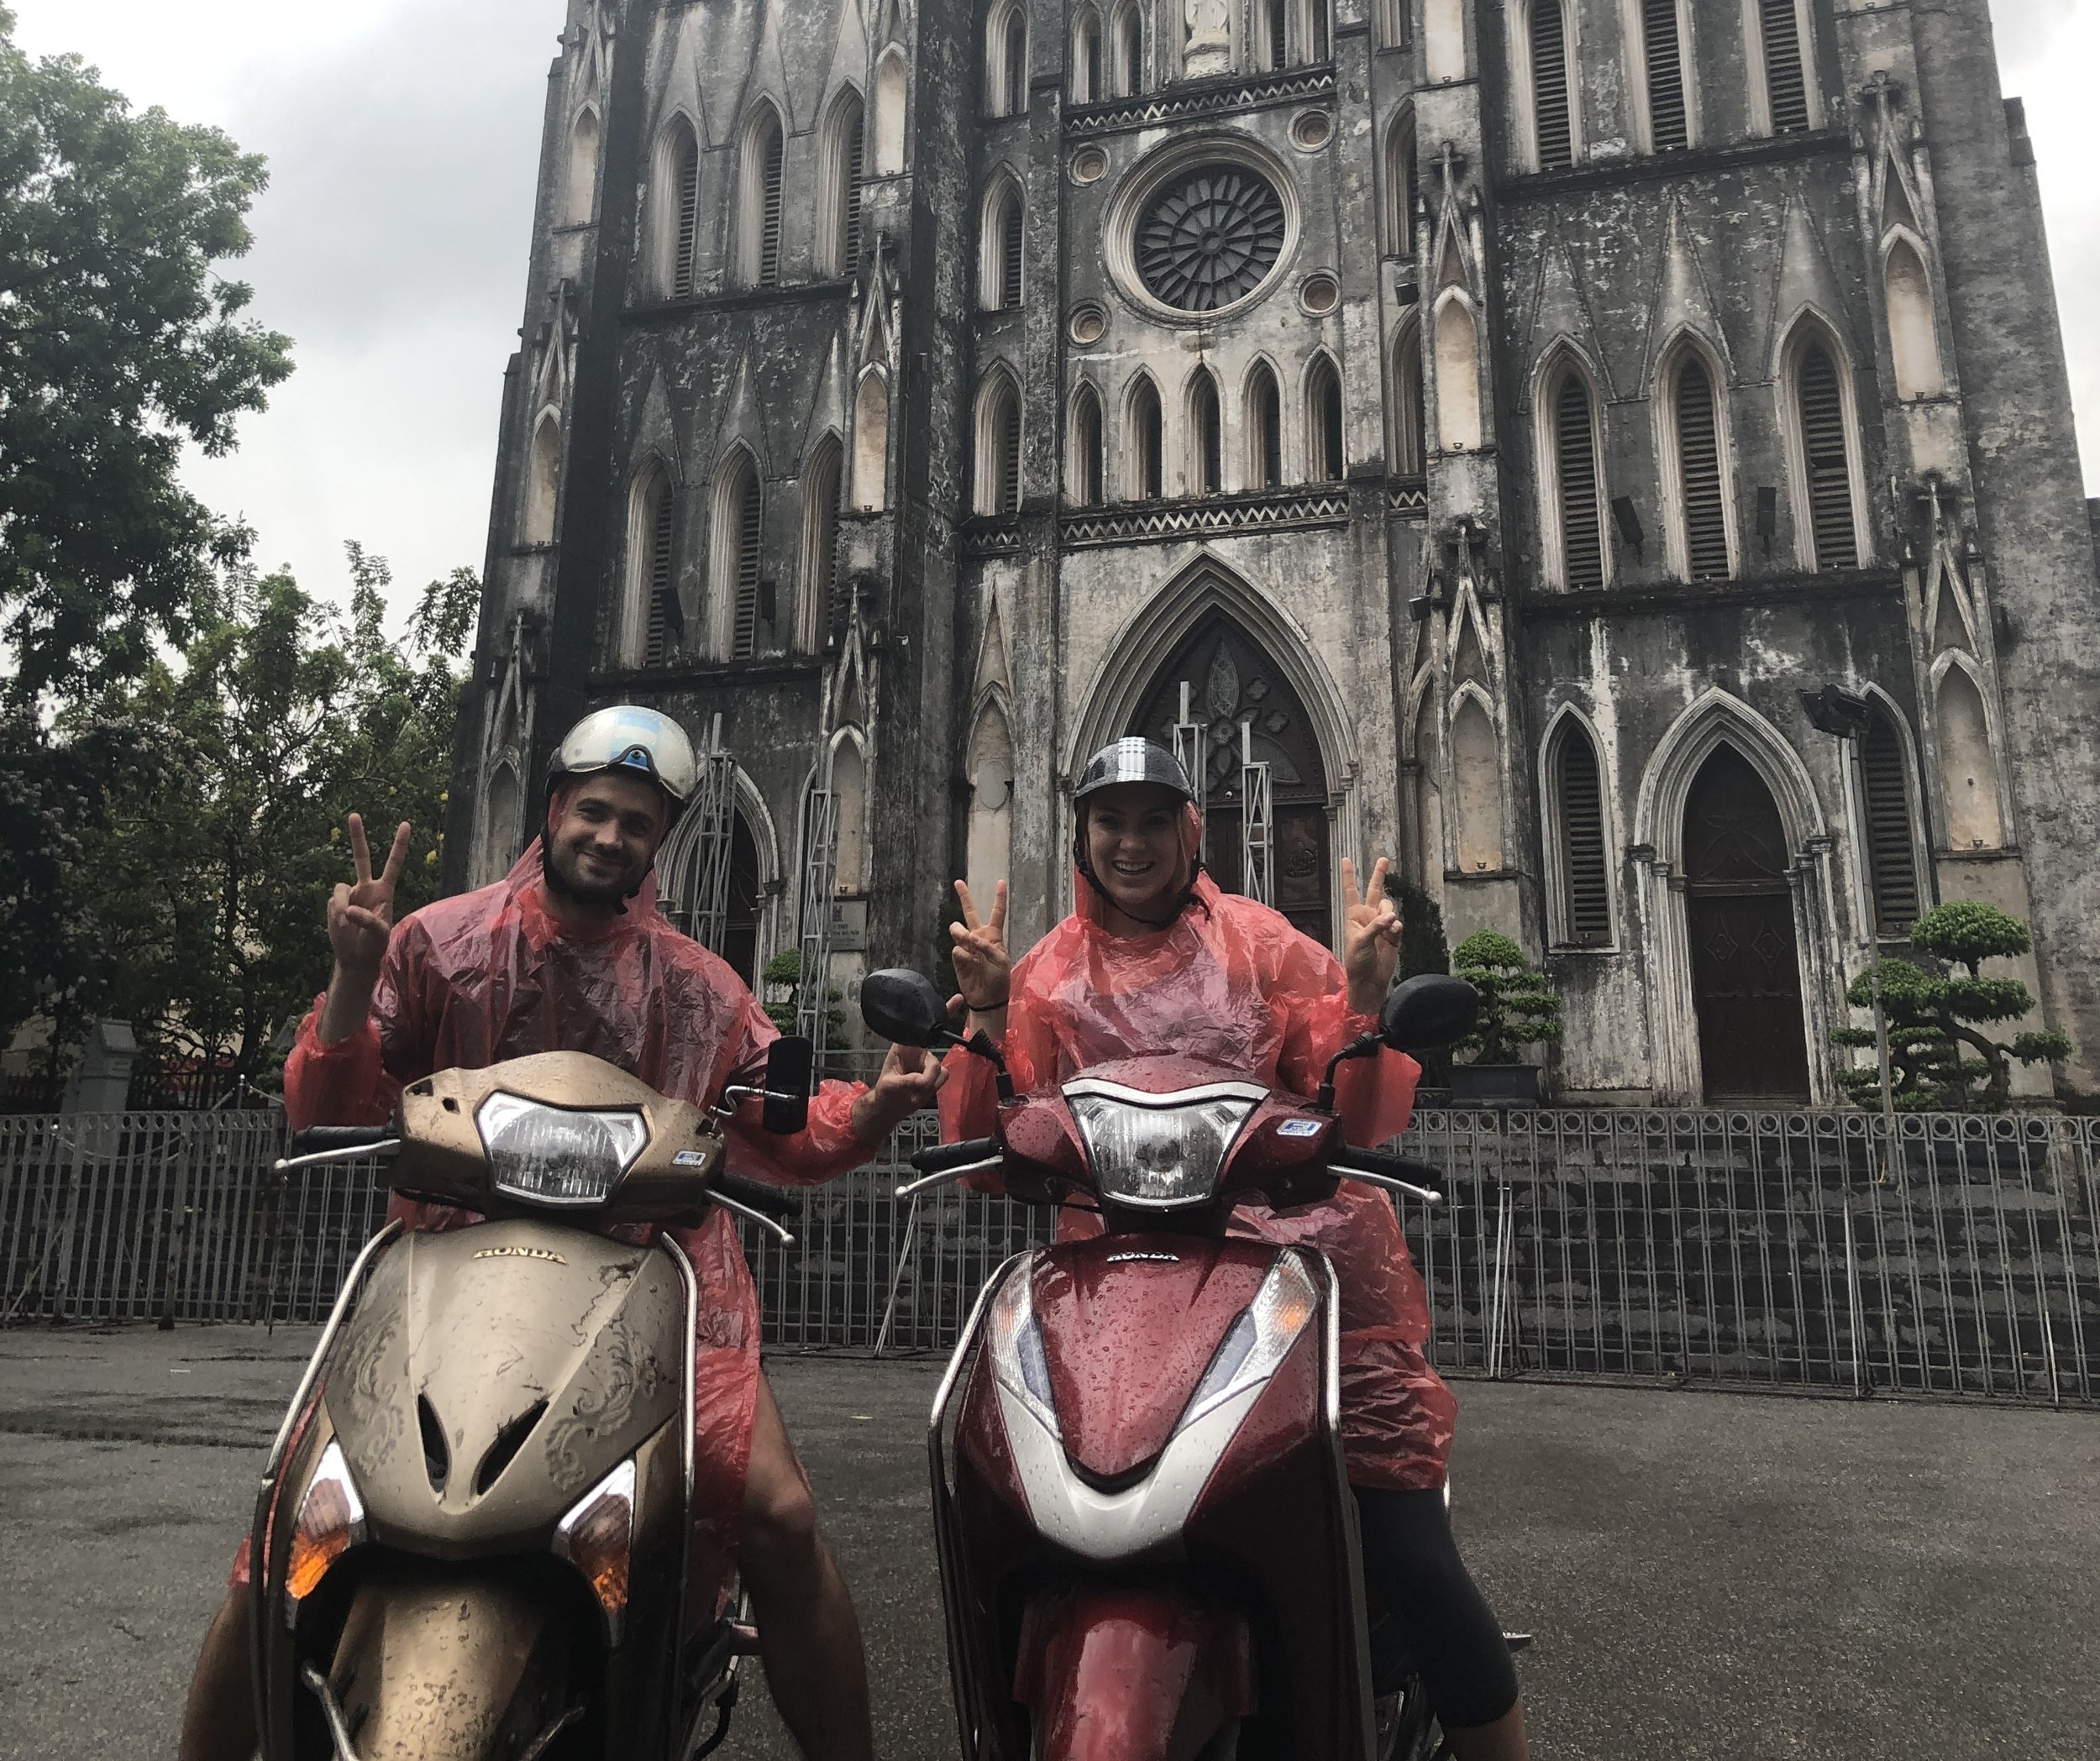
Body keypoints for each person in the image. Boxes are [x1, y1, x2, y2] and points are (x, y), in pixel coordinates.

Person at [179, 704, 942, 1761]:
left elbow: (779, 1120)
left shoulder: (700, 984)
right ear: (551, 810)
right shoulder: (437, 944)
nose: (611, 837)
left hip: (652, 1288)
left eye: (637, 822)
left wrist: (875, 1110)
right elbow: (335, 1104)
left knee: (778, 1518)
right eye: (594, 812)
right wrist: (353, 972)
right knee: (281, 1539)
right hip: (442, 1285)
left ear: (657, 843)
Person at [940, 736, 1529, 1761]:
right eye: (1109, 821)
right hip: (1108, 1299)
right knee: (1010, 1508)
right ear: (1081, 837)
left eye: (1151, 820)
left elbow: (1361, 1116)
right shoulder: (1041, 975)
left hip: (1296, 1274)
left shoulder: (1261, 946)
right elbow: (983, 1142)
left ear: (1188, 831)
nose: (1130, 842)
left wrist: (1361, 999)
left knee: (1409, 1558)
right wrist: (987, 1011)